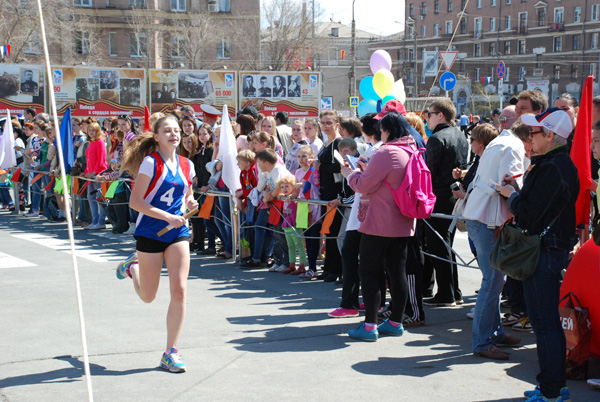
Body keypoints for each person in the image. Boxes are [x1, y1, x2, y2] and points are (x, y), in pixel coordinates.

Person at [496, 108, 578, 402]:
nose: (529, 138)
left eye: (534, 132)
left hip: (544, 250)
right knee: (547, 323)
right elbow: (542, 206)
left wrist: (512, 196)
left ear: (550, 135)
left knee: (544, 323)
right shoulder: (553, 164)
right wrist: (518, 188)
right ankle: (555, 385)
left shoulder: (553, 167)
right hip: (547, 248)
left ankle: (551, 389)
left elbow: (530, 212)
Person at [116, 115, 198, 373]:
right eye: (168, 131)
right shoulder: (151, 163)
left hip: (177, 233)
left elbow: (187, 193)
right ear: (158, 136)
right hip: (151, 232)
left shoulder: (187, 164)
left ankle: (170, 352)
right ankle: (133, 268)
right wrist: (166, 216)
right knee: (148, 296)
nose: (174, 134)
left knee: (180, 289)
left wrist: (190, 204)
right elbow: (135, 202)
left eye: (177, 130)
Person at [342, 111, 418, 341]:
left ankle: (369, 326)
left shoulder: (387, 151)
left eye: (382, 130)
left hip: (379, 222)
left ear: (387, 130)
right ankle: (395, 321)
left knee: (369, 272)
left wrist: (351, 173)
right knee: (397, 271)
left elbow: (364, 185)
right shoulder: (410, 149)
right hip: (403, 220)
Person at [462, 121, 525, 361]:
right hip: (486, 220)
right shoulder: (512, 146)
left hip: (483, 218)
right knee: (492, 281)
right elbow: (507, 184)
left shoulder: (501, 143)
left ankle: (494, 334)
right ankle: (482, 341)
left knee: (495, 281)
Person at [423, 99, 469, 306]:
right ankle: (454, 291)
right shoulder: (461, 135)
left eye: (429, 114)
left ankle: (446, 294)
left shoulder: (436, 138)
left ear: (440, 115)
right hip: (453, 194)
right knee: (446, 244)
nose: (427, 117)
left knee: (437, 244)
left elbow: (428, 170)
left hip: (438, 195)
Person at [312, 111, 343, 282]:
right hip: (326, 191)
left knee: (334, 232)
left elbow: (339, 167)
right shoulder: (327, 143)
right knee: (329, 231)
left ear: (337, 124)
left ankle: (335, 269)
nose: (325, 126)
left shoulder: (337, 142)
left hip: (335, 193)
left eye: (329, 123)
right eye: (323, 123)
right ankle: (329, 266)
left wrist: (320, 166)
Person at [294, 145, 321, 279]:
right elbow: (296, 189)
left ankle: (313, 267)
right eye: (299, 156)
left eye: (304, 156)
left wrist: (302, 185)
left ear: (311, 157)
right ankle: (310, 266)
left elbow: (315, 185)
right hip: (302, 208)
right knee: (307, 238)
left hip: (313, 207)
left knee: (314, 238)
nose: (301, 159)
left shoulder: (313, 170)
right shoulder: (298, 172)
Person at [275, 175, 308, 274]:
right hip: (287, 225)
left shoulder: (295, 198)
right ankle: (292, 265)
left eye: (287, 186)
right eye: (282, 187)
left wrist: (292, 196)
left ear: (293, 187)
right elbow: (278, 196)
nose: (284, 189)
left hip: (294, 225)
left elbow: (295, 196)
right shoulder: (284, 197)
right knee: (290, 246)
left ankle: (302, 265)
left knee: (299, 245)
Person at [83, 123, 108, 230]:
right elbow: (89, 160)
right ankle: (94, 220)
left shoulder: (100, 142)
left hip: (98, 174)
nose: (91, 132)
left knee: (99, 197)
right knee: (91, 197)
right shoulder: (91, 143)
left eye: (93, 130)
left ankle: (101, 221)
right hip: (91, 175)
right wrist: (85, 172)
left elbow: (101, 160)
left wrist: (94, 172)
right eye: (90, 130)